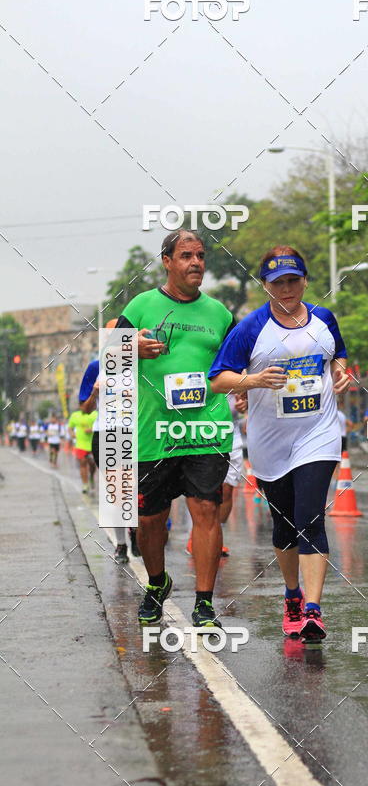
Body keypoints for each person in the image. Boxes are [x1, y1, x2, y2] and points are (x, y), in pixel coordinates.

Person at [209, 245, 350, 641]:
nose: (287, 289)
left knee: (310, 518)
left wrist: (340, 373)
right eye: (278, 283)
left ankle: (313, 610)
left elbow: (337, 354)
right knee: (284, 525)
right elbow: (218, 378)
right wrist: (252, 381)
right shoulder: (251, 327)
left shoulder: (323, 319)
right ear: (266, 286)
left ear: (305, 281)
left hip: (317, 433)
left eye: (293, 280)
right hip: (270, 440)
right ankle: (291, 594)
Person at [116, 229, 235, 629]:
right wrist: (131, 347)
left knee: (205, 509)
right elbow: (109, 358)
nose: (196, 263)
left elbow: (230, 364)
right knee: (150, 519)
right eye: (186, 255)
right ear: (167, 261)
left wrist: (245, 387)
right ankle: (156, 583)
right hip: (155, 430)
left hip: (206, 427)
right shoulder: (142, 305)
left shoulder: (219, 313)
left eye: (200, 255)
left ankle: (204, 603)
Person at [79, 319, 134, 564]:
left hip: (135, 432)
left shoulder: (138, 365)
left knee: (133, 490)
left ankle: (136, 528)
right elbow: (84, 408)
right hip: (107, 433)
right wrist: (94, 392)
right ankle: (122, 543)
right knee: (117, 491)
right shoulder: (95, 366)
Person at [185, 390, 246, 558]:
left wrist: (243, 405)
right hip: (200, 436)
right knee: (202, 496)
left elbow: (242, 401)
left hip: (230, 437)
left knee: (226, 492)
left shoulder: (232, 366)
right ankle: (199, 536)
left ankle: (214, 536)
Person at [67, 404, 97, 493]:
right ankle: (85, 484)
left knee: (92, 465)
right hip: (80, 445)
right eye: (82, 406)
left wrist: (92, 429)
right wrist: (71, 433)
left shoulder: (95, 414)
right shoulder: (75, 415)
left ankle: (91, 476)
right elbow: (70, 428)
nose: (84, 407)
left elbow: (102, 427)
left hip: (93, 444)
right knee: (82, 464)